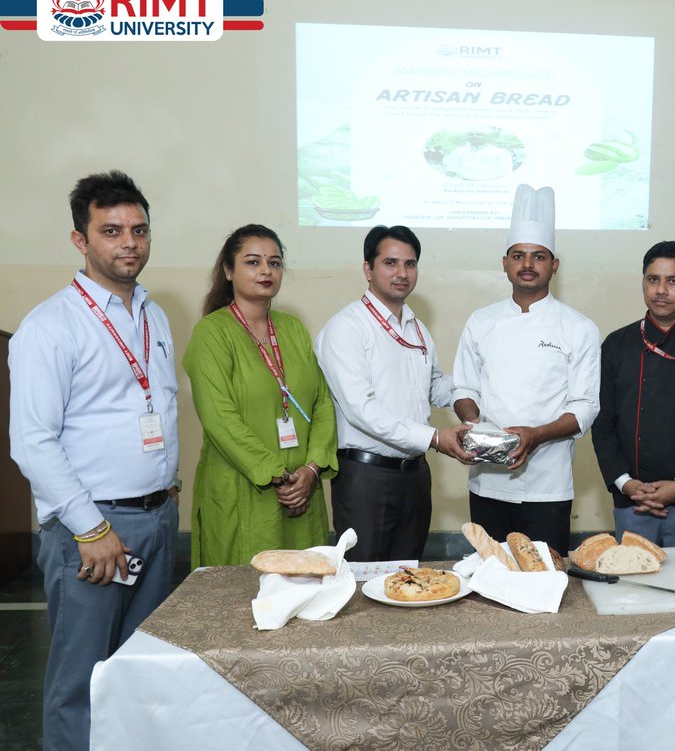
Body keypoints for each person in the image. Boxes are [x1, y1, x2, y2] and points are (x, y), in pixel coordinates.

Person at [9, 171, 180, 751]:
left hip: (155, 520)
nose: (128, 242)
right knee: (80, 682)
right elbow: (32, 441)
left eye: (138, 229)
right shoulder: (50, 325)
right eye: (110, 231)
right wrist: (92, 528)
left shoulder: (153, 316)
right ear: (81, 241)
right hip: (93, 532)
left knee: (137, 674)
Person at [453, 184, 600, 554]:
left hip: (547, 486)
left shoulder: (578, 327)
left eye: (538, 256)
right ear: (505, 263)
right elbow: (464, 389)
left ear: (554, 265)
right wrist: (474, 423)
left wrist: (536, 434)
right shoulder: (481, 321)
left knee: (545, 581)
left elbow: (585, 406)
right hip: (486, 481)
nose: (528, 264)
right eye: (518, 255)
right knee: (490, 577)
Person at [315, 225, 473, 562]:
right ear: (367, 269)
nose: (402, 273)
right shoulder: (347, 327)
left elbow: (433, 384)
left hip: (415, 475)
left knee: (408, 580)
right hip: (366, 479)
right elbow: (361, 409)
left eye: (410, 264)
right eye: (390, 263)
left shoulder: (416, 326)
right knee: (362, 585)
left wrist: (468, 400)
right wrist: (434, 438)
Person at [183, 224, 338, 567]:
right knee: (242, 600)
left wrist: (311, 470)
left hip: (302, 491)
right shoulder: (212, 333)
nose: (266, 270)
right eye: (253, 262)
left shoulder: (293, 328)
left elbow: (322, 403)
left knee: (305, 592)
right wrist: (279, 477)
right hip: (246, 490)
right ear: (228, 270)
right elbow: (219, 418)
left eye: (275, 262)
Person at [591, 240, 675, 577]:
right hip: (632, 502)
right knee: (636, 601)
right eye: (653, 280)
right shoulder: (617, 344)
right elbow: (603, 421)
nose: (661, 290)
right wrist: (624, 482)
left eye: (673, 281)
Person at [443, 127, 514, 181]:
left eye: (479, 134)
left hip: (489, 185)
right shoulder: (459, 151)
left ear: (486, 137)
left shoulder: (500, 152)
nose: (474, 136)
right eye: (471, 135)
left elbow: (506, 173)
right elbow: (452, 169)